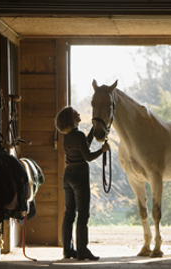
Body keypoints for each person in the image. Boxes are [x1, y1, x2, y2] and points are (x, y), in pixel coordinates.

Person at [55, 106, 109, 260]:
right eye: (75, 113)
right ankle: (82, 250)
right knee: (83, 214)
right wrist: (103, 150)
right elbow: (88, 156)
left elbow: (84, 145)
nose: (78, 113)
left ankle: (68, 250)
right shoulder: (78, 135)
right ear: (71, 119)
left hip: (68, 176)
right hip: (80, 176)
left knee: (69, 213)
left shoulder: (68, 136)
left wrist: (93, 130)